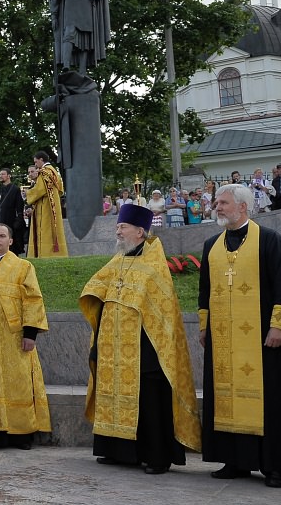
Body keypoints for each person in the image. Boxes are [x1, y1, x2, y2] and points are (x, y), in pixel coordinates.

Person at [198, 184, 281, 488]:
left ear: (243, 207)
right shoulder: (211, 245)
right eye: (216, 203)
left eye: (222, 203)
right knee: (226, 397)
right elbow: (204, 291)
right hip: (223, 339)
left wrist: (278, 325)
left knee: (271, 399)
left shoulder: (270, 240)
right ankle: (235, 460)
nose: (217, 207)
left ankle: (275, 466)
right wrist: (204, 326)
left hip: (262, 337)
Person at [80, 203, 201, 474]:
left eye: (123, 227)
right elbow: (96, 287)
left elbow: (162, 312)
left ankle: (156, 456)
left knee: (149, 400)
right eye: (118, 226)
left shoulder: (154, 266)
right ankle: (118, 451)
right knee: (113, 394)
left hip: (145, 349)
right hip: (114, 345)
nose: (118, 231)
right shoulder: (118, 260)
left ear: (141, 232)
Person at [0, 224, 50, 449]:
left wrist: (30, 333)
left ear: (11, 241)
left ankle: (22, 433)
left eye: (2, 236)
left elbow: (33, 299)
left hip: (15, 336)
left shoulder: (24, 267)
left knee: (20, 381)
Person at [26, 151, 67, 257]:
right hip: (54, 204)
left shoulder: (44, 172)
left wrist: (28, 194)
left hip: (46, 207)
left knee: (45, 230)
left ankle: (45, 254)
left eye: (36, 162)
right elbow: (61, 189)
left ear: (41, 160)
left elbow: (40, 190)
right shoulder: (54, 171)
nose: (35, 164)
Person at [0, 169, 25, 255]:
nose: (0, 176)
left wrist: (18, 220)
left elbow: (19, 206)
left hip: (10, 220)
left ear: (9, 176)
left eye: (3, 174)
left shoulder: (15, 189)